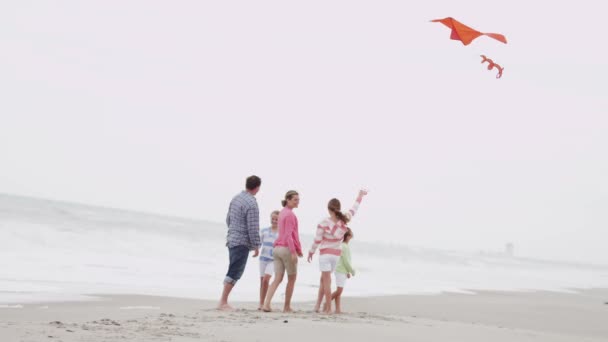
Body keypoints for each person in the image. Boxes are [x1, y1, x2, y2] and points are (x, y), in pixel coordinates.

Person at [308, 190, 367, 314]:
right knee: (323, 281)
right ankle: (317, 306)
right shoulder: (344, 220)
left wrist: (311, 252)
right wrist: (360, 196)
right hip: (335, 256)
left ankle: (328, 308)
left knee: (326, 282)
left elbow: (317, 240)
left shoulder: (323, 222)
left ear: (328, 209)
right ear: (339, 208)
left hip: (325, 255)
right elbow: (354, 209)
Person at [217, 175, 262, 311]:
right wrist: (256, 245)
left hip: (232, 238)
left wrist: (233, 231)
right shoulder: (252, 203)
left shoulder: (236, 198)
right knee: (235, 271)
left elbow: (228, 219)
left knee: (233, 268)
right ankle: (223, 302)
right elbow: (252, 227)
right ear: (258, 187)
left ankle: (223, 301)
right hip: (241, 241)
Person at [262, 190, 302, 313]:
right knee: (292, 278)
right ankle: (286, 307)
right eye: (295, 199)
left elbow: (283, 233)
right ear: (288, 200)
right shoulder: (290, 215)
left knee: (277, 278)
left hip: (277, 249)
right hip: (286, 249)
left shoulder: (282, 213)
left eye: (298, 199)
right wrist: (294, 252)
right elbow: (290, 235)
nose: (297, 201)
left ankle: (266, 304)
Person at [258, 210, 280, 310]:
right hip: (263, 258)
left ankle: (267, 302)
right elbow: (258, 243)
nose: (274, 221)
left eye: (276, 219)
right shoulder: (264, 231)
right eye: (273, 219)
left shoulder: (281, 233)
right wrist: (255, 250)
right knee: (262, 281)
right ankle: (261, 303)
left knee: (267, 279)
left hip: (273, 260)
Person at [332, 228, 355, 314]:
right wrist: (352, 271)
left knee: (339, 291)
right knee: (339, 291)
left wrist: (347, 272)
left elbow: (344, 260)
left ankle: (337, 309)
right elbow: (346, 261)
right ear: (348, 236)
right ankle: (326, 303)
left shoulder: (345, 246)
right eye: (351, 234)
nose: (352, 235)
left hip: (342, 270)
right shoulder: (344, 246)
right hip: (340, 270)